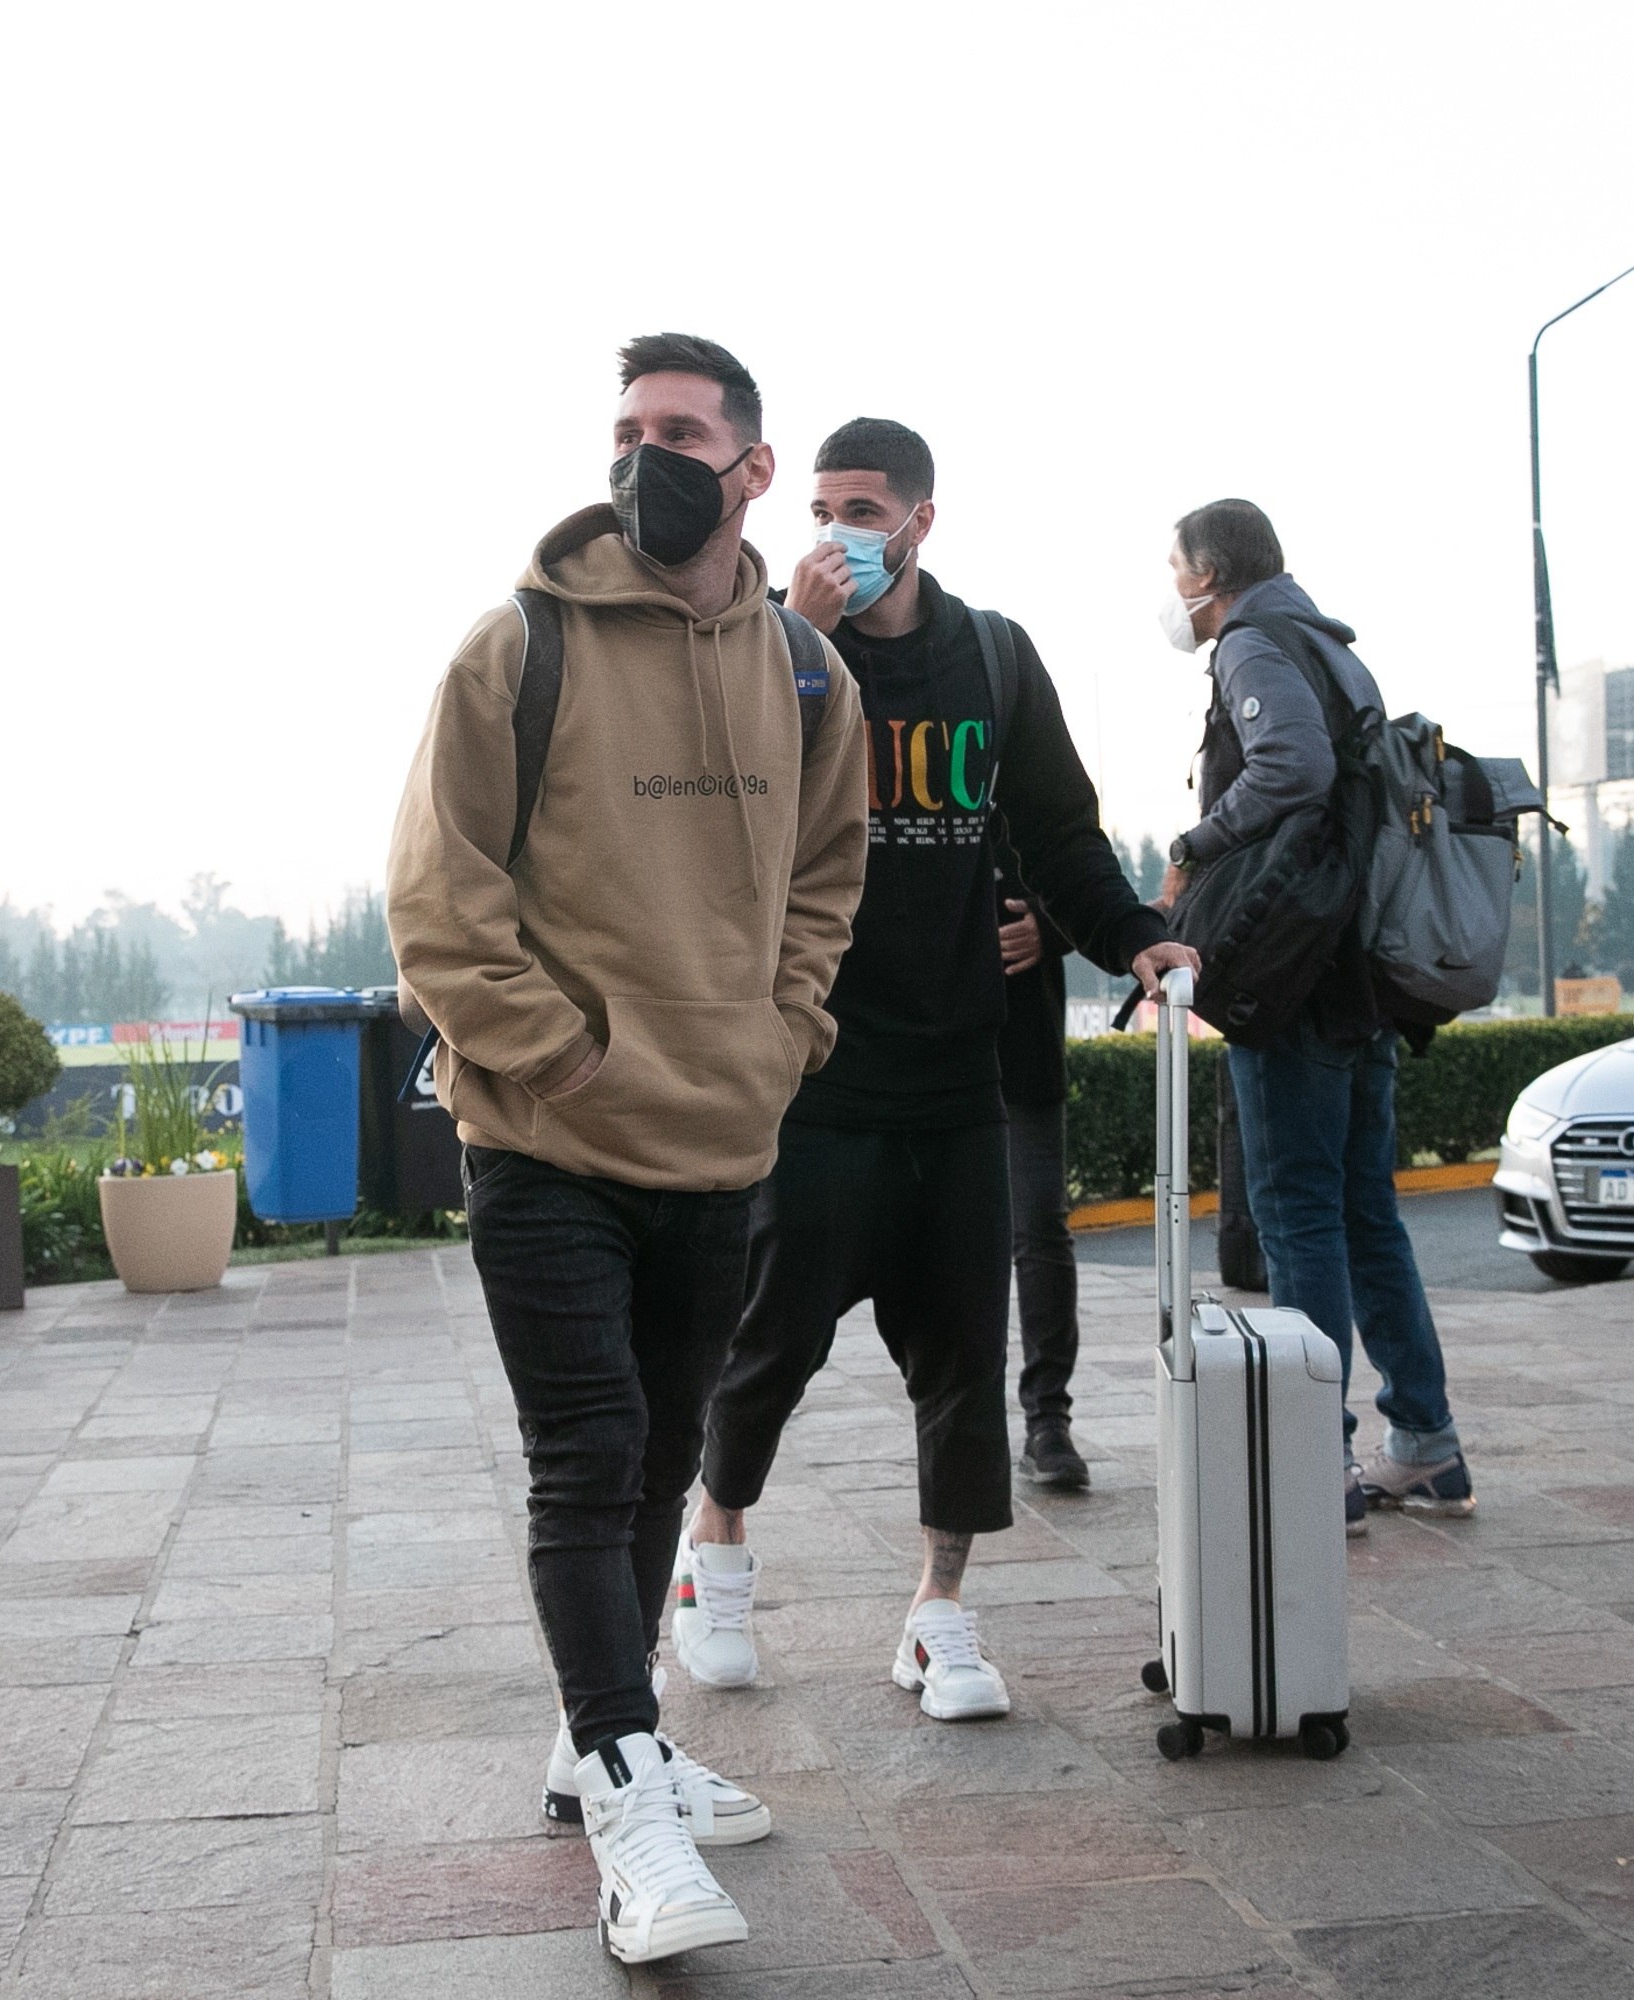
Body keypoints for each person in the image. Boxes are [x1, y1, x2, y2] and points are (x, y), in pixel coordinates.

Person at [385, 334, 869, 1966]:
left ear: (749, 467)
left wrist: (776, 1035)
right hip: (545, 1140)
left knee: (665, 1455)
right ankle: (628, 1808)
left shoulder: (810, 673)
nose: (644, 455)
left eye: (679, 432)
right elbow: (436, 900)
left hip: (720, 1136)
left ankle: (602, 1734)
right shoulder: (515, 648)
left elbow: (827, 882)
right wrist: (561, 1050)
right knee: (591, 1460)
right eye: (625, 430)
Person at [680, 418, 1195, 1723]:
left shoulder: (992, 659)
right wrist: (800, 637)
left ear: (922, 519)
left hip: (958, 1067)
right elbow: (713, 799)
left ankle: (939, 1612)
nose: (840, 530)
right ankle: (716, 1556)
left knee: (967, 1357)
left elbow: (1063, 834)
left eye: (866, 508)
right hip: (816, 1070)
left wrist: (1132, 937)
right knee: (767, 1342)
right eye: (822, 507)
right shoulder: (776, 645)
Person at [1151, 497, 1473, 1536]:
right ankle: (1423, 1440)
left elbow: (1294, 766)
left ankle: (1313, 1455)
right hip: (1357, 969)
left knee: (1297, 1211)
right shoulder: (1333, 646)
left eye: (1174, 567)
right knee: (1363, 1208)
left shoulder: (1252, 642)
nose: (1171, 588)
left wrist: (1201, 841)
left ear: (1208, 572)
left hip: (1294, 971)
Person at [994, 880, 1089, 1488]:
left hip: (1022, 1032)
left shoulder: (1032, 779)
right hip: (913, 1034)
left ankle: (1048, 1421)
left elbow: (1083, 868)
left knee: (1039, 1229)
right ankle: (959, 1416)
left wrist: (1051, 925)